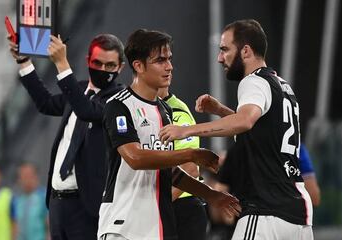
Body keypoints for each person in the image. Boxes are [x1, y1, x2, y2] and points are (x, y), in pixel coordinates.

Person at [159, 19, 314, 239]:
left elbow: (245, 121)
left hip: (266, 211)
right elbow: (260, 131)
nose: (220, 58)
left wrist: (187, 130)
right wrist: (221, 110)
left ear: (246, 51)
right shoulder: (282, 86)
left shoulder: (253, 81)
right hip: (299, 214)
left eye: (224, 49)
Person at [98, 29, 241, 240]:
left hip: (157, 225)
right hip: (123, 223)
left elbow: (168, 172)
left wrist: (212, 195)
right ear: (138, 66)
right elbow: (135, 158)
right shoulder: (118, 106)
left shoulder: (165, 112)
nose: (169, 67)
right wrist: (190, 154)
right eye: (160, 60)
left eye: (170, 59)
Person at [8, 33, 125, 240]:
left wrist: (62, 63)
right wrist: (24, 61)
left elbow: (87, 111)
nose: (103, 70)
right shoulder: (79, 90)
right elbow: (45, 103)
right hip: (57, 203)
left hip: (86, 206)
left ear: (121, 68)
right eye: (97, 63)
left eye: (110, 66)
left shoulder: (118, 99)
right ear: (87, 61)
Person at [158, 87, 208, 240]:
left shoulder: (177, 112)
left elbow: (190, 169)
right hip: (163, 204)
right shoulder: (138, 108)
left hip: (181, 205)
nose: (169, 68)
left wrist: (156, 208)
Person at [14, 162, 48, 240]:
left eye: (29, 175)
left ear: (36, 177)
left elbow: (50, 226)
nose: (26, 180)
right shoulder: (16, 199)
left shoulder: (44, 197)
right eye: (23, 176)